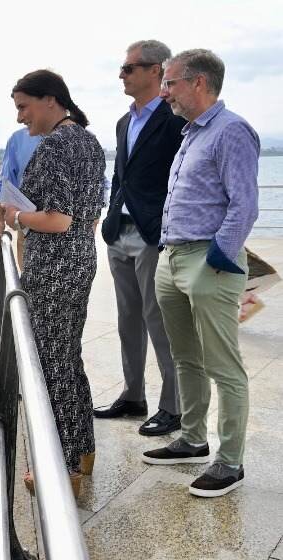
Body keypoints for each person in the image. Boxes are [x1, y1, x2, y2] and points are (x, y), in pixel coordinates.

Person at [142, 49, 259, 498]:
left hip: (207, 260)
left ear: (200, 83)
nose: (165, 91)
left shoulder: (232, 131)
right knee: (185, 357)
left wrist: (217, 259)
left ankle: (230, 462)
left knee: (223, 365)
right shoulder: (191, 133)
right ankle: (193, 439)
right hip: (171, 257)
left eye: (170, 83)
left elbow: (244, 205)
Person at [2, 70, 106, 497]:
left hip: (54, 268)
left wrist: (17, 217)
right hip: (80, 259)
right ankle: (82, 451)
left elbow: (58, 220)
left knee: (53, 364)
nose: (21, 118)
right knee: (68, 357)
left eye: (23, 107)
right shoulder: (88, 141)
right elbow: (88, 213)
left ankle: (65, 469)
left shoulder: (58, 146)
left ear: (50, 100)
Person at [95, 40, 187, 436]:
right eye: (122, 67)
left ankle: (174, 407)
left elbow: (185, 175)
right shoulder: (123, 122)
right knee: (127, 320)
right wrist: (110, 215)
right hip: (121, 232)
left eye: (130, 67)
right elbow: (122, 175)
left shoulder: (175, 119)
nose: (122, 74)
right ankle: (133, 395)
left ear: (156, 70)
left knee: (160, 321)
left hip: (154, 235)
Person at [0, 128, 41, 269]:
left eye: (23, 107)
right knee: (28, 287)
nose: (20, 117)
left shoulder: (81, 137)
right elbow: (4, 183)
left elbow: (98, 185)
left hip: (73, 237)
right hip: (28, 231)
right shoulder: (19, 139)